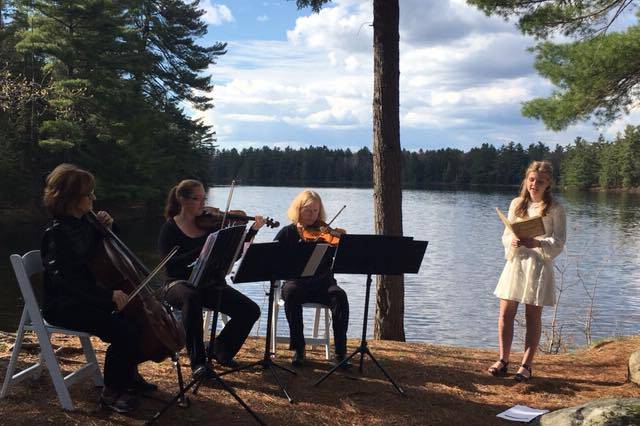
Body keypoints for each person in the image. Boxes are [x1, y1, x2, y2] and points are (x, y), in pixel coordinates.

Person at [41, 163, 155, 414]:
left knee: (138, 319)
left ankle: (127, 374)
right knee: (123, 329)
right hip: (65, 305)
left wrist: (110, 228)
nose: (94, 197)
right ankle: (111, 392)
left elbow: (112, 253)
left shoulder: (86, 223)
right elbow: (66, 283)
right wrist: (108, 296)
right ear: (71, 198)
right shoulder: (57, 234)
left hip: (89, 298)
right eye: (88, 193)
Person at [158, 179, 264, 379]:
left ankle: (219, 349)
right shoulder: (170, 228)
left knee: (250, 310)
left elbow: (233, 255)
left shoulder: (210, 227)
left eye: (203, 198)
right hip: (177, 284)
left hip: (208, 283)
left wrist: (251, 232)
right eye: (196, 199)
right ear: (182, 200)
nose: (202, 204)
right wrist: (202, 250)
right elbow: (171, 265)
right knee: (191, 297)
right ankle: (198, 363)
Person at [488, 161, 566, 381]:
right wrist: (512, 241)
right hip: (516, 264)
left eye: (540, 181)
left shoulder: (555, 208)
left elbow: (559, 241)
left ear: (548, 183)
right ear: (526, 180)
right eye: (531, 180)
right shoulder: (516, 204)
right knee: (505, 314)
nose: (534, 184)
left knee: (533, 316)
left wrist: (538, 243)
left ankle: (526, 366)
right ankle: (503, 360)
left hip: (538, 266)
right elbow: (506, 234)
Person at [274, 189, 350, 367]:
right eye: (308, 210)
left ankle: (340, 352)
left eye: (316, 211)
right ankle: (299, 348)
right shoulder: (288, 232)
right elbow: (273, 257)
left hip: (324, 283)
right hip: (296, 283)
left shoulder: (326, 233)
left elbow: (342, 254)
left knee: (340, 296)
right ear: (298, 209)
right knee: (291, 293)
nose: (312, 215)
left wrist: (343, 241)